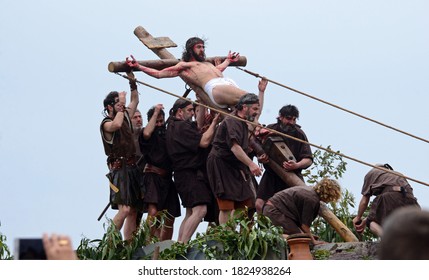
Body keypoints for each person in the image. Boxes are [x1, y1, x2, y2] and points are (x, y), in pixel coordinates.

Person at [126, 37, 266, 109]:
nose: (202, 49)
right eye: (199, 47)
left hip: (225, 82)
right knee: (250, 99)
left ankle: (257, 129)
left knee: (252, 106)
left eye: (203, 47)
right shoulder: (185, 65)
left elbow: (218, 70)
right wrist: (139, 66)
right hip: (215, 88)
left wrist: (228, 61)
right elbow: (159, 74)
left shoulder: (206, 64)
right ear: (191, 50)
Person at [166, 98, 219, 243]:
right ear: (179, 112)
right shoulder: (181, 127)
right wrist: (214, 123)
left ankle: (179, 243)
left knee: (190, 211)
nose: (191, 113)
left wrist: (201, 101)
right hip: (189, 173)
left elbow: (198, 124)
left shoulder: (172, 126)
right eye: (189, 110)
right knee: (200, 209)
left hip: (182, 174)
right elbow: (204, 142)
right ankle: (182, 244)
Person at [100, 71, 145, 241]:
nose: (122, 107)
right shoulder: (106, 123)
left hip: (132, 168)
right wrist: (121, 106)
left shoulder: (124, 115)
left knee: (134, 209)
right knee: (125, 209)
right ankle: (109, 243)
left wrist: (132, 80)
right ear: (109, 107)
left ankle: (129, 245)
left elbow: (135, 100)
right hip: (119, 170)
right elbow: (117, 124)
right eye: (117, 105)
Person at [207, 93, 264, 224]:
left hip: (234, 165)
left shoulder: (243, 122)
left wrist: (261, 92)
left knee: (246, 203)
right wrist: (251, 164)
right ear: (244, 107)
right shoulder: (232, 121)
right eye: (254, 109)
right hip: (221, 164)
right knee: (226, 204)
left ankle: (238, 234)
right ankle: (226, 236)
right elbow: (235, 148)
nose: (256, 112)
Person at [255, 105, 313, 213]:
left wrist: (297, 165)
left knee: (289, 209)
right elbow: (259, 150)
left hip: (291, 176)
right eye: (288, 118)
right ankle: (265, 229)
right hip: (271, 175)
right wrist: (261, 158)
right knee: (259, 204)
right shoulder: (270, 128)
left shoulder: (299, 134)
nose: (291, 122)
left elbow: (308, 159)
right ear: (280, 117)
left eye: (294, 119)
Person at [139, 104, 181, 240]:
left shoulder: (168, 135)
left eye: (161, 121)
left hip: (167, 179)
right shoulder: (147, 134)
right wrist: (156, 112)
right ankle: (148, 242)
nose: (159, 124)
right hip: (153, 176)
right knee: (153, 212)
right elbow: (146, 133)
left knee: (170, 214)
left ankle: (164, 247)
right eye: (156, 121)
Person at [262, 178, 342, 245]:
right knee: (299, 238)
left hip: (272, 210)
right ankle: (267, 236)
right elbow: (304, 226)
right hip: (275, 211)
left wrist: (309, 235)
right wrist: (313, 241)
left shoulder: (309, 192)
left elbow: (301, 224)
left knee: (303, 236)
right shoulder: (311, 199)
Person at [352, 164, 420, 237]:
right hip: (410, 199)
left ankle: (387, 240)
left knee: (371, 222)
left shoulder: (372, 173)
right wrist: (365, 220)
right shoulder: (397, 174)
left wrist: (358, 217)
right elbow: (399, 198)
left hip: (391, 196)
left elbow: (364, 201)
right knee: (411, 226)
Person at [130, 109, 146, 228]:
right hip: (132, 175)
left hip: (144, 174)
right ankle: (130, 242)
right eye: (135, 117)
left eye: (140, 117)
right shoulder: (126, 136)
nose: (139, 119)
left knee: (142, 209)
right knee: (133, 211)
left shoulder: (144, 133)